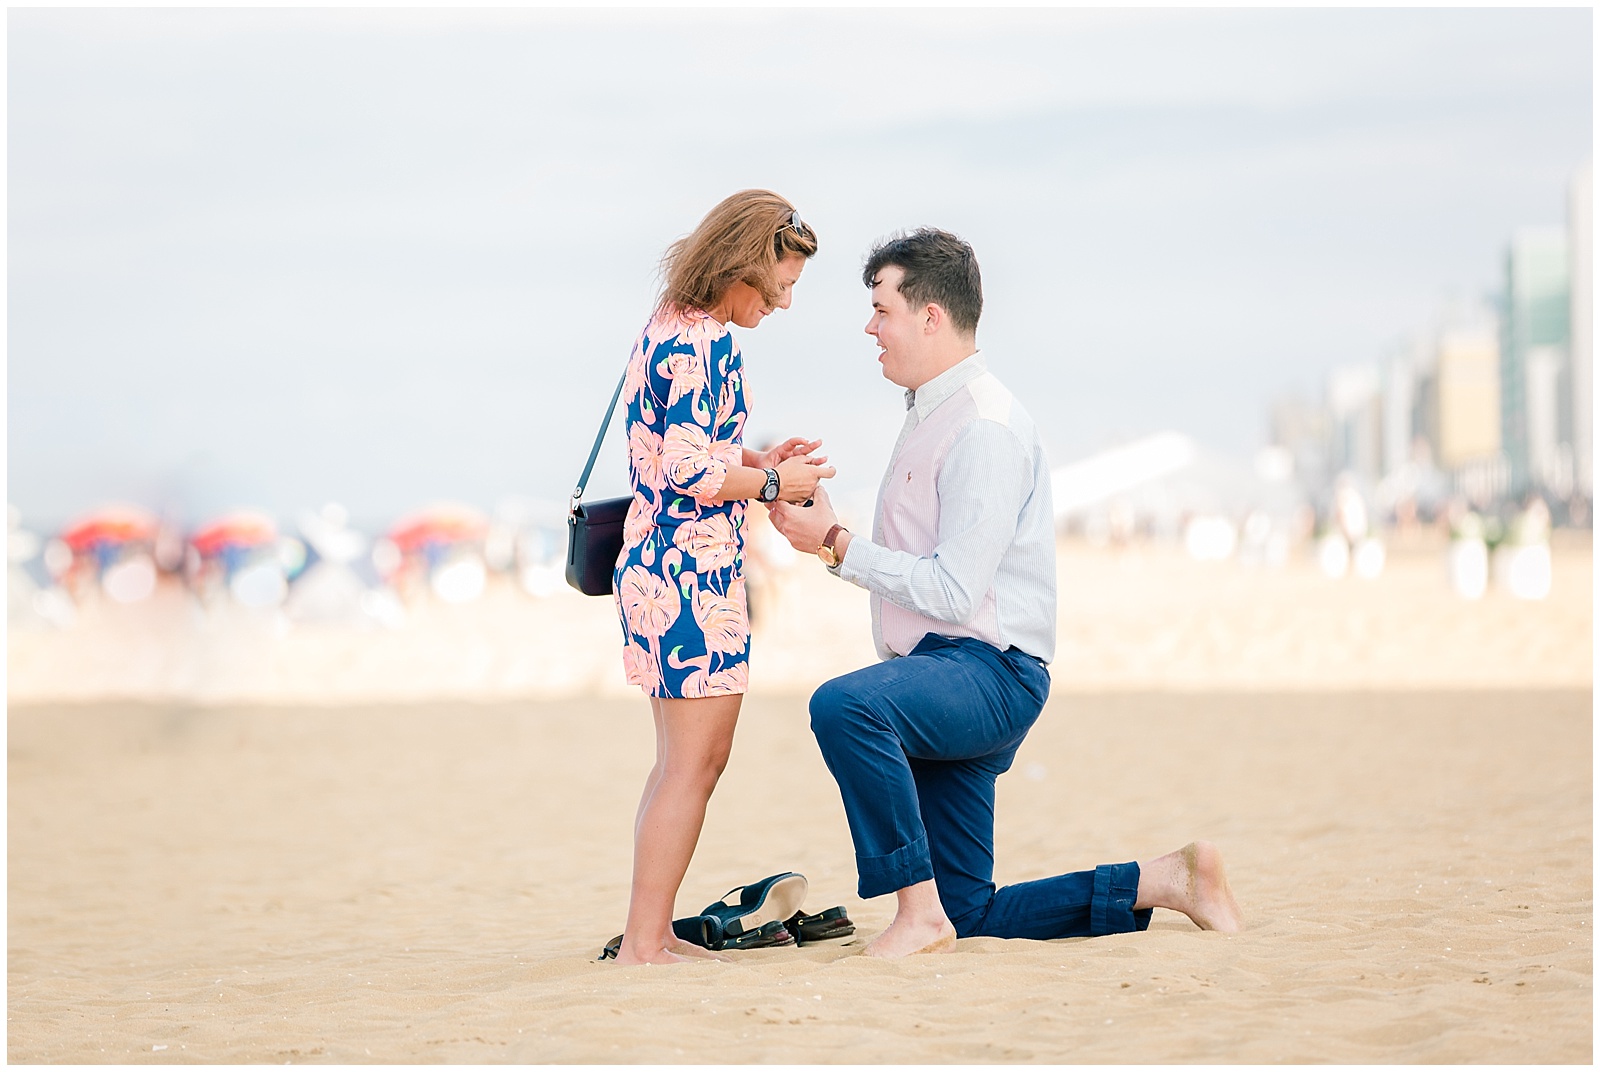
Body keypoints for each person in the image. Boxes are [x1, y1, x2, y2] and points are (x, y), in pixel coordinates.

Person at [768, 228, 1244, 958]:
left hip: (987, 673)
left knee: (844, 705)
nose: (870, 327)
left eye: (882, 309)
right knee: (971, 911)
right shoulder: (933, 413)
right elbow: (926, 564)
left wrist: (837, 547)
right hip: (942, 675)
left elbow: (956, 591)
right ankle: (1166, 880)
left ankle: (914, 913)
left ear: (932, 316)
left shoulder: (984, 426)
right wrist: (830, 530)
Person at [608, 190, 835, 966]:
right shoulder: (707, 344)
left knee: (676, 763)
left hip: (653, 562)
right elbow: (685, 465)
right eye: (782, 284)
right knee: (697, 765)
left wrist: (762, 462)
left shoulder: (669, 323)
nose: (784, 302)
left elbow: (683, 449)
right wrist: (777, 488)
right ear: (744, 268)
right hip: (693, 576)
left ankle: (650, 932)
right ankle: (648, 943)